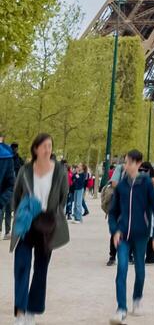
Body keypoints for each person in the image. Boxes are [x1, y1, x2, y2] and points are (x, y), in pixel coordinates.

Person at [11, 132, 69, 322]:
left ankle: (32, 311)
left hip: (48, 224)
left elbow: (63, 196)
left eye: (50, 146)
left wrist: (55, 212)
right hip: (28, 223)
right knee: (21, 266)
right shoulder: (25, 170)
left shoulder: (59, 170)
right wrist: (20, 213)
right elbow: (17, 195)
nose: (47, 149)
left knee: (41, 269)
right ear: (35, 149)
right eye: (44, 146)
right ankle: (20, 310)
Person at [108, 149, 154, 323]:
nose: (126, 165)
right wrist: (114, 230)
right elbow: (112, 212)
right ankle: (121, 308)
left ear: (138, 164)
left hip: (141, 234)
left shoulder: (146, 183)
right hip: (123, 234)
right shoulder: (122, 185)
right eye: (125, 162)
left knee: (140, 270)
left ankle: (137, 299)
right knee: (122, 268)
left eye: (129, 162)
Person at [138, 161, 154, 265]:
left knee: (150, 232)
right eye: (140, 170)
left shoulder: (152, 181)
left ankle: (151, 257)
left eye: (144, 170)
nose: (142, 172)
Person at [0, 133, 15, 241]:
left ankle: (7, 230)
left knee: (8, 210)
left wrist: (1, 201)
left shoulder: (6, 157)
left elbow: (11, 184)